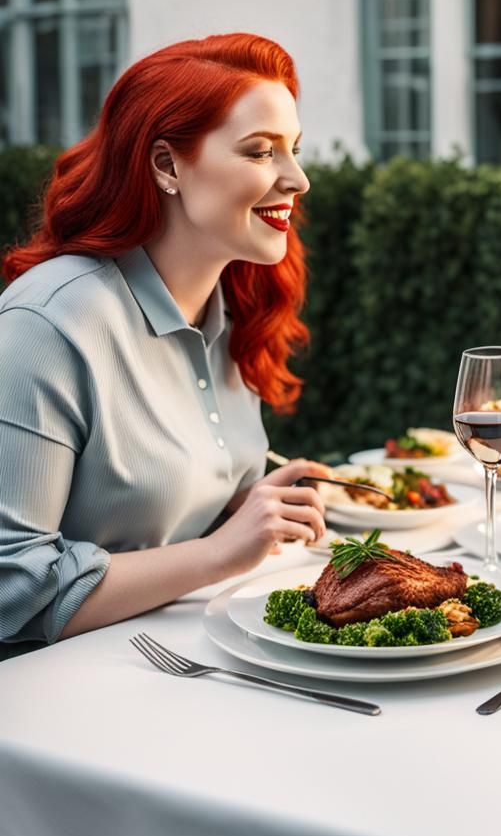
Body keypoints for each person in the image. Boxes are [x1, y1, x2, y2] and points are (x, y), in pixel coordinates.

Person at [0, 34, 332, 655]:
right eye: (261, 152)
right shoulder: (47, 325)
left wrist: (251, 507)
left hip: (185, 659)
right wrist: (218, 553)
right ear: (166, 165)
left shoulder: (230, 305)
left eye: (295, 149)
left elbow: (169, 514)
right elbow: (11, 590)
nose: (298, 179)